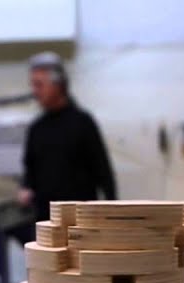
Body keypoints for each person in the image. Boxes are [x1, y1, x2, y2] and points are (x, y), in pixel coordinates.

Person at [19, 52, 117, 222]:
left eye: (39, 85)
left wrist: (113, 214)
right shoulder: (36, 128)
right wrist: (25, 188)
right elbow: (29, 170)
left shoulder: (83, 123)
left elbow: (103, 171)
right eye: (33, 85)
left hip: (82, 222)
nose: (35, 91)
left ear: (58, 84)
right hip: (46, 222)